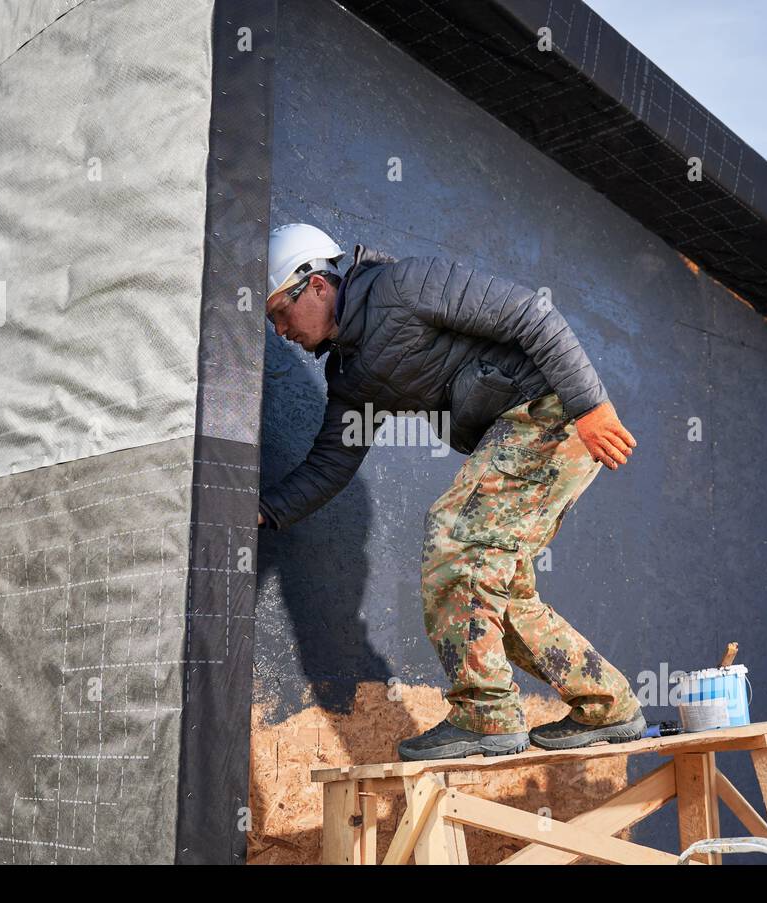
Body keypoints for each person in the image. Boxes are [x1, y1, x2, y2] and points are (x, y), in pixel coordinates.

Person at [257, 223, 643, 760]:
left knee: (455, 539)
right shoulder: (351, 378)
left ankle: (485, 715)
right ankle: (607, 704)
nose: (280, 330)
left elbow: (530, 314)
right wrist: (264, 511)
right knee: (495, 588)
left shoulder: (405, 287)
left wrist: (591, 407)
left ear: (317, 286)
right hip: (521, 428)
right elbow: (330, 465)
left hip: (549, 412)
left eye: (280, 312)